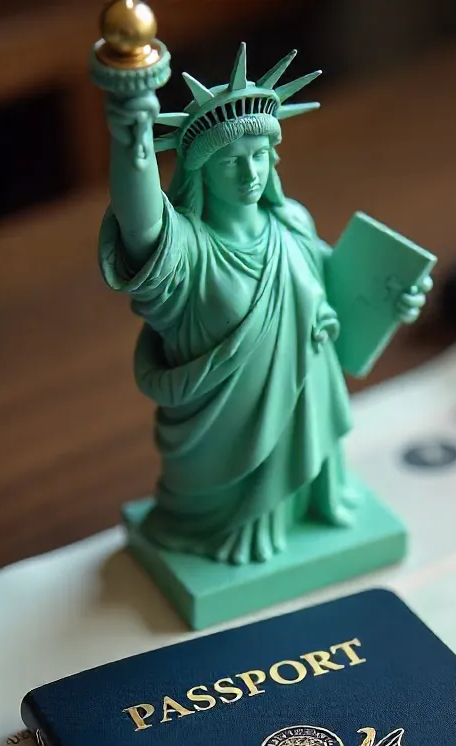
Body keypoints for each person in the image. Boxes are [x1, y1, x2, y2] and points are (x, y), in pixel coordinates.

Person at [100, 45, 429, 565]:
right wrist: (131, 129)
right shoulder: (187, 251)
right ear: (201, 171)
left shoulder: (292, 222)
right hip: (219, 436)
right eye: (230, 160)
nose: (249, 172)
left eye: (259, 156)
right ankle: (234, 523)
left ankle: (296, 506)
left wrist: (395, 297)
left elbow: (340, 291)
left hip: (307, 406)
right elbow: (139, 218)